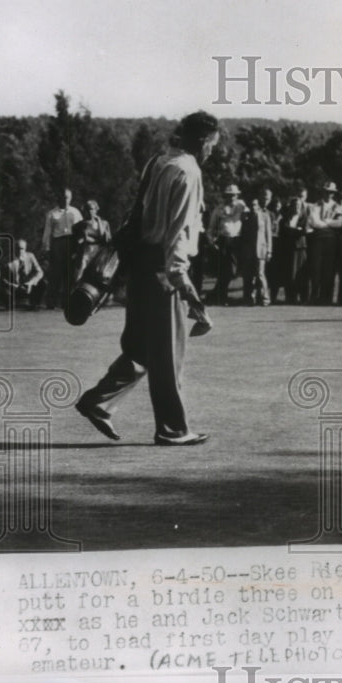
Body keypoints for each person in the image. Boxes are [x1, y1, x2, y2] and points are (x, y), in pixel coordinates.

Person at [76, 110, 220, 446]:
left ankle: (98, 402)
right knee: (168, 354)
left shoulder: (159, 161)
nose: (213, 152)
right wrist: (188, 291)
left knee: (141, 348)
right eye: (212, 145)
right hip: (163, 270)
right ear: (201, 142)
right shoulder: (188, 171)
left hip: (139, 266)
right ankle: (173, 428)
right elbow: (179, 235)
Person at [42, 187, 82, 311]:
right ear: (58, 198)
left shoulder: (75, 212)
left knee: (69, 274)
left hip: (72, 243)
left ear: (71, 198)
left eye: (67, 197)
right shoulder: (52, 213)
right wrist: (47, 248)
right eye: (63, 197)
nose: (65, 200)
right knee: (55, 274)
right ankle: (51, 303)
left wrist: (79, 246)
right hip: (58, 244)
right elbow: (47, 232)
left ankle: (67, 303)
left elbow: (81, 230)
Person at [208, 184, 246, 305]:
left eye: (234, 195)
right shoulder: (219, 209)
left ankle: (215, 295)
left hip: (237, 241)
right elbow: (211, 228)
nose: (231, 198)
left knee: (233, 272)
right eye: (229, 195)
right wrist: (211, 242)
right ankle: (221, 297)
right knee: (226, 271)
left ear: (237, 195)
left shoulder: (242, 206)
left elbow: (250, 218)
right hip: (224, 241)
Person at [306, 183, 342, 305]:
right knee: (316, 268)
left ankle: (326, 297)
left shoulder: (337, 206)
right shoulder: (315, 205)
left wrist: (325, 222)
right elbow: (313, 222)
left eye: (331, 192)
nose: (329, 194)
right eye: (327, 192)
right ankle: (314, 296)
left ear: (334, 193)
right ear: (323, 192)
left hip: (331, 240)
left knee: (329, 269)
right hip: (317, 239)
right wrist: (328, 223)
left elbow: (339, 223)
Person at [240, 195, 272, 306]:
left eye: (255, 205)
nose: (253, 207)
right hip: (249, 250)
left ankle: (265, 298)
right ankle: (250, 298)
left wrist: (269, 250)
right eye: (251, 205)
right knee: (249, 275)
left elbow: (268, 234)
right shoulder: (246, 217)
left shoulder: (265, 216)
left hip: (261, 249)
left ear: (258, 205)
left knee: (260, 274)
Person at [73, 199, 112, 281]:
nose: (89, 212)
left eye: (91, 209)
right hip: (86, 250)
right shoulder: (81, 224)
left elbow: (106, 238)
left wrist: (93, 239)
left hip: (99, 251)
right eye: (87, 210)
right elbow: (78, 238)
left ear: (95, 210)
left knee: (98, 273)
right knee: (80, 267)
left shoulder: (103, 223)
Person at [1, 238, 46, 309]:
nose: (19, 251)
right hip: (14, 287)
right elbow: (2, 278)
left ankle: (34, 304)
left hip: (28, 286)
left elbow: (40, 272)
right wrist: (13, 285)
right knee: (3, 289)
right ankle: (10, 304)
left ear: (25, 248)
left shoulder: (30, 256)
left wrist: (31, 283)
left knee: (42, 283)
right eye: (17, 248)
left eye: (22, 249)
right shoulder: (7, 260)